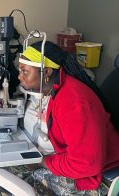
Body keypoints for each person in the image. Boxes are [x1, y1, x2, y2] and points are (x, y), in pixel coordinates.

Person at [9, 41, 119, 195]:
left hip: (97, 177)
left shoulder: (74, 102)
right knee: (12, 173)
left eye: (25, 72)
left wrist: (44, 162)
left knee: (19, 184)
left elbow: (86, 164)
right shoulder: (57, 89)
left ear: (46, 72)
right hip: (82, 163)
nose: (20, 77)